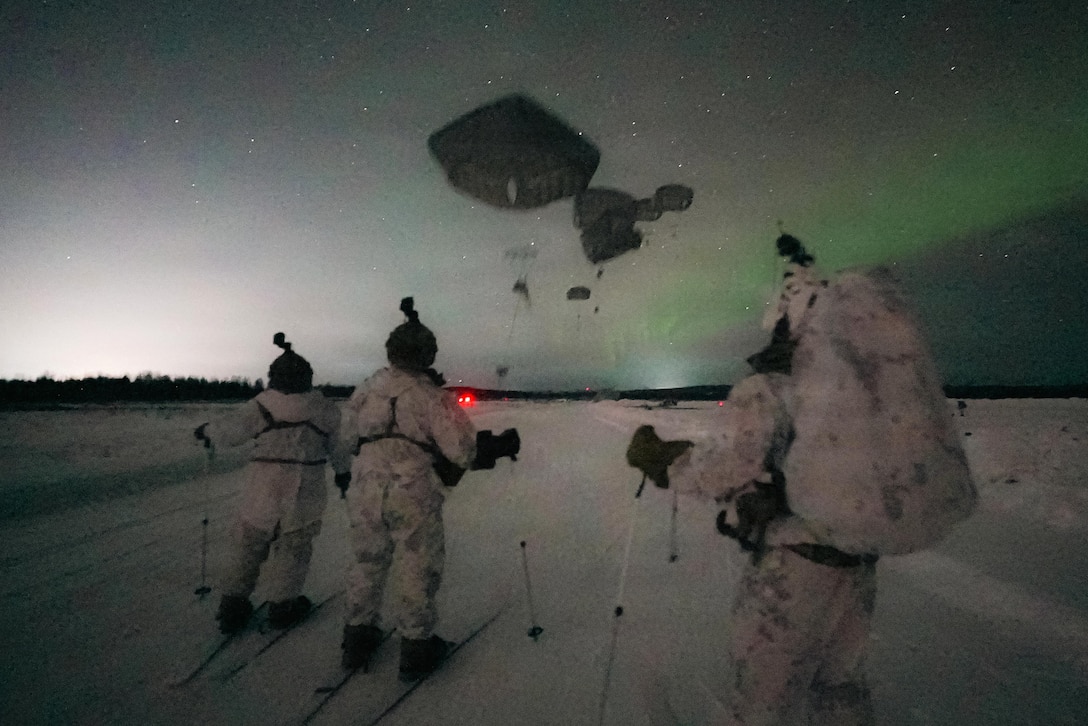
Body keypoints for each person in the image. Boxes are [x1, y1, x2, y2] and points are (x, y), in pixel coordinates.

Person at [338, 297, 519, 678]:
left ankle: (357, 638)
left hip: (365, 488)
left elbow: (345, 436)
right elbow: (463, 450)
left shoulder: (368, 388)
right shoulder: (433, 397)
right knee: (417, 565)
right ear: (427, 354)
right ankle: (416, 648)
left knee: (367, 561)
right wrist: (497, 445)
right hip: (411, 490)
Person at [194, 333, 351, 634]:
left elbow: (230, 431)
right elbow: (340, 448)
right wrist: (344, 474)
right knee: (294, 548)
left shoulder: (260, 406)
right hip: (305, 489)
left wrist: (207, 432)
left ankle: (233, 606)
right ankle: (282, 606)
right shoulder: (325, 409)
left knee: (249, 545)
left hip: (262, 487)